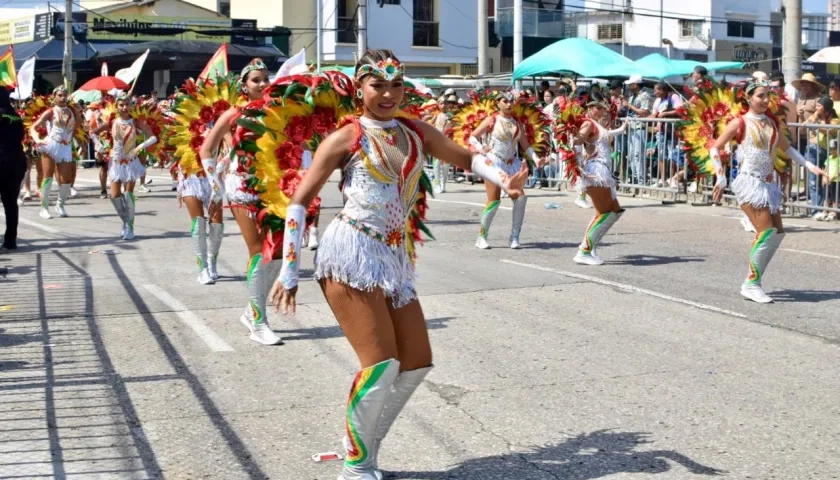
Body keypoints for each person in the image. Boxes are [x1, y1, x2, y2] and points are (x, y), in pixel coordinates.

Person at [268, 49, 527, 480]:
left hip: (392, 257)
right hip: (349, 252)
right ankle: (356, 465)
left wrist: (505, 180)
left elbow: (466, 158)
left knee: (417, 361)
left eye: (396, 85)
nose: (388, 94)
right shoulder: (346, 137)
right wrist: (289, 270)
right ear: (360, 87)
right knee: (380, 364)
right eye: (378, 85)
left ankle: (365, 447)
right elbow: (299, 201)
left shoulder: (415, 130)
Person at [710, 78, 825, 303]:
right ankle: (751, 283)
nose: (765, 100)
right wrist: (720, 176)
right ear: (748, 97)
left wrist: (811, 166)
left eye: (767, 96)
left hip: (768, 184)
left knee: (778, 234)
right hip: (749, 183)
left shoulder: (772, 123)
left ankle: (754, 279)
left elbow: (787, 148)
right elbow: (715, 147)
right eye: (760, 96)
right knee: (766, 233)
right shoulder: (739, 122)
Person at [199, 59, 279, 345]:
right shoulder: (234, 114)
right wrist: (215, 184)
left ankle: (250, 310)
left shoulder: (277, 111)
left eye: (265, 78)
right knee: (258, 250)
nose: (262, 84)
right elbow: (207, 148)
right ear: (244, 85)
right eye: (255, 79)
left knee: (278, 255)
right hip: (242, 185)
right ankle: (259, 321)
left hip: (272, 186)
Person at [468, 90, 543, 249]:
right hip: (494, 162)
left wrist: (536, 159)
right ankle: (481, 237)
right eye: (505, 101)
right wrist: (481, 148)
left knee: (520, 198)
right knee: (494, 201)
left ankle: (514, 237)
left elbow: (525, 145)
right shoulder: (492, 120)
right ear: (497, 103)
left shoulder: (517, 124)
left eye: (511, 101)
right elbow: (472, 137)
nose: (509, 104)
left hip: (512, 164)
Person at [571, 92, 628, 265]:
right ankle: (584, 250)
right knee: (605, 213)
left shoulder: (597, 124)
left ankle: (591, 246)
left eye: (603, 107)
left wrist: (622, 129)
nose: (601, 110)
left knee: (615, 211)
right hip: (595, 171)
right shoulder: (588, 123)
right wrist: (577, 155)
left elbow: (605, 136)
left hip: (603, 171)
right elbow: (577, 140)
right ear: (589, 108)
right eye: (597, 107)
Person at [96, 92, 157, 240]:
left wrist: (139, 147)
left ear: (131, 105)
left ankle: (129, 228)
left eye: (127, 104)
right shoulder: (112, 122)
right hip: (116, 162)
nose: (124, 107)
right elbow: (93, 133)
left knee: (128, 196)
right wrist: (100, 147)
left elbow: (154, 137)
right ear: (116, 106)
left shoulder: (136, 122)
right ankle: (126, 222)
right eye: (121, 105)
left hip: (131, 162)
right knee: (114, 195)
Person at [28, 86, 82, 219]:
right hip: (51, 146)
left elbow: (78, 127)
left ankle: (60, 205)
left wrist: (81, 142)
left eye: (65, 95)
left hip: (66, 147)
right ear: (54, 97)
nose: (63, 98)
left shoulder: (72, 111)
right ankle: (44, 208)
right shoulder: (50, 112)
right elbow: (33, 127)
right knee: (48, 177)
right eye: (59, 95)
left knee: (66, 180)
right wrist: (37, 139)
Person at [0, 87, 26, 250]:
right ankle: (11, 240)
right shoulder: (16, 116)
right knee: (10, 203)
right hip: (16, 163)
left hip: (1, 162)